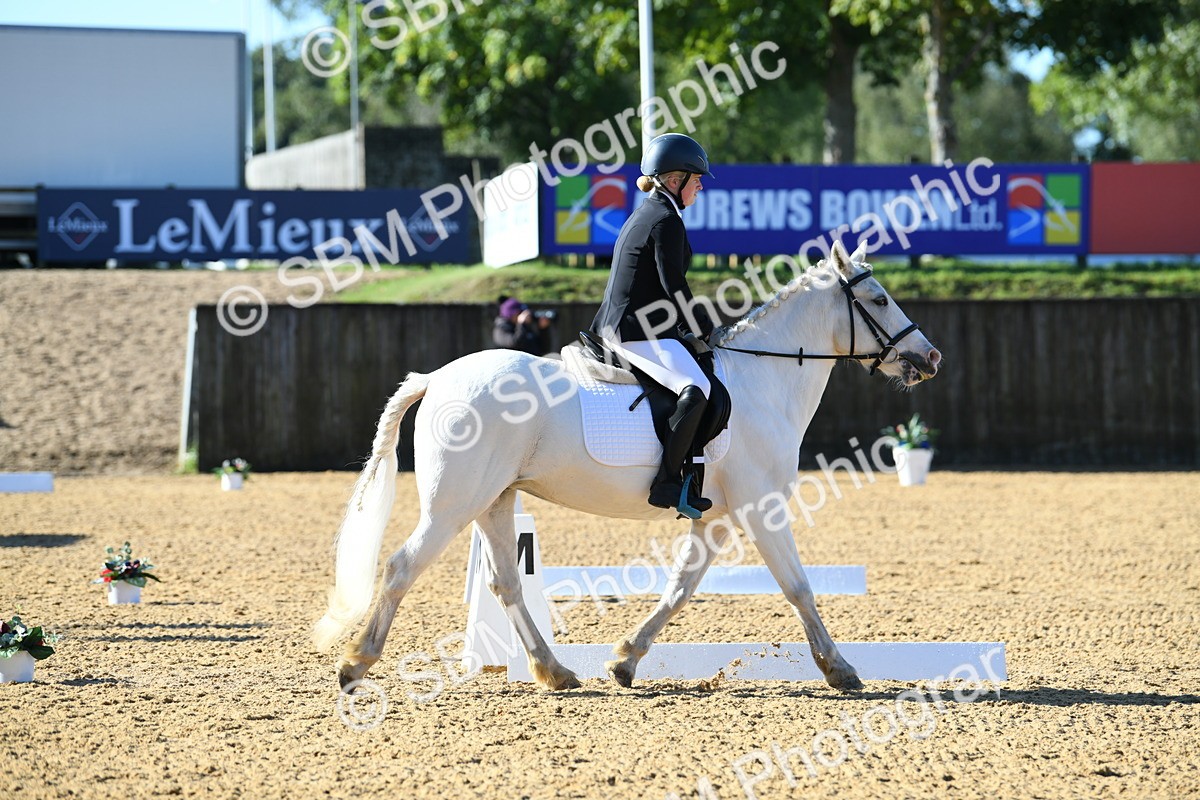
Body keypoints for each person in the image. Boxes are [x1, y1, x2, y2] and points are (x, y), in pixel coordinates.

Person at [590, 132, 715, 519]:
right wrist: (703, 327)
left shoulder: (648, 212)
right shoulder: (665, 220)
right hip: (634, 330)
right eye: (695, 180)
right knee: (697, 389)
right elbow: (672, 283)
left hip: (627, 323)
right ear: (674, 180)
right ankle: (667, 483)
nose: (699, 187)